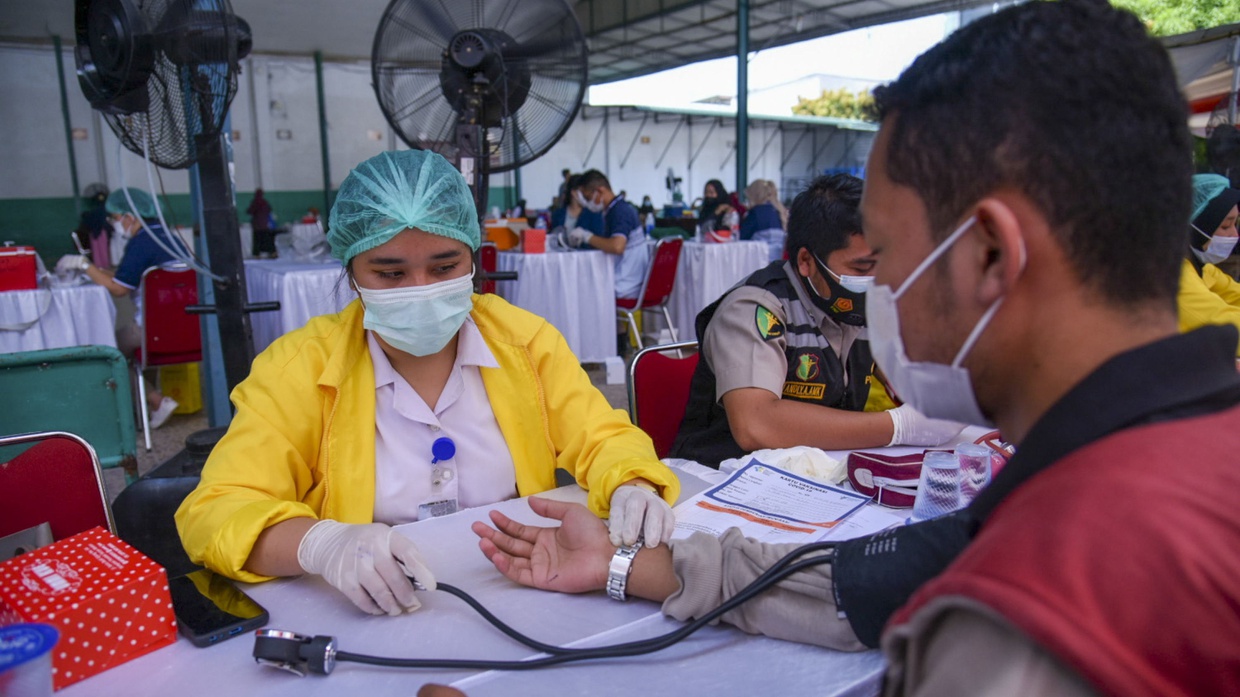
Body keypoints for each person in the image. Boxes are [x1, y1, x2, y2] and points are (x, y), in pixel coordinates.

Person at [470, 1, 1240, 694]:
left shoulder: (1032, 604)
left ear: (993, 256)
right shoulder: (1158, 452)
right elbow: (890, 573)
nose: (884, 290)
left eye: (894, 255)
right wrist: (624, 564)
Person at [175, 149, 679, 618]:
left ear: (474, 259)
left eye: (445, 267)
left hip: (525, 589)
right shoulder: (298, 368)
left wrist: (630, 483)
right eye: (389, 274)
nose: (421, 290)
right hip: (370, 608)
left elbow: (601, 434)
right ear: (350, 271)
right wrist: (319, 544)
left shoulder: (525, 344)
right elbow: (218, 509)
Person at [670, 174, 964, 468]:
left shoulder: (863, 305)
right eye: (862, 268)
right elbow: (754, 424)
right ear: (806, 262)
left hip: (818, 474)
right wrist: (899, 427)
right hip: (725, 478)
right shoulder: (755, 307)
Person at [56, 187, 182, 427]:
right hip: (184, 326)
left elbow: (119, 289)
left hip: (152, 330)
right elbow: (130, 276)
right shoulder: (168, 237)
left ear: (129, 217)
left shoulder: (142, 242)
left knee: (108, 351)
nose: (114, 224)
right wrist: (99, 272)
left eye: (114, 219)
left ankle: (155, 400)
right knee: (131, 353)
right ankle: (149, 401)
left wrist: (85, 266)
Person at [569, 170, 651, 354]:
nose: (588, 202)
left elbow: (617, 246)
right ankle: (618, 348)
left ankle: (592, 351)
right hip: (629, 278)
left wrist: (587, 237)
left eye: (589, 197)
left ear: (600, 190)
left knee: (581, 292)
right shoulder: (615, 209)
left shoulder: (619, 211)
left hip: (628, 284)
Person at [1180, 174, 1240, 354]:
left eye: (1236, 224)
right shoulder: (1174, 279)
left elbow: (1235, 293)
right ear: (1197, 228)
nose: (1235, 235)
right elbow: (1229, 332)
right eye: (1225, 226)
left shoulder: (1202, 269)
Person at [548, 174, 603, 249]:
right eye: (583, 191)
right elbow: (553, 239)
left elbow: (599, 240)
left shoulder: (594, 214)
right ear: (573, 192)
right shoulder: (558, 214)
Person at [738, 179, 788, 261]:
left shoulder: (755, 213)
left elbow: (742, 238)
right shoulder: (780, 211)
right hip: (779, 261)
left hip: (760, 261)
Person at [75, 183, 111, 268]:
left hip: (95, 235)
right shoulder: (106, 210)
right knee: (104, 254)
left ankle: (102, 269)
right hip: (102, 235)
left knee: (100, 255)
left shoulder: (92, 212)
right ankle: (105, 269)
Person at [247, 188, 276, 258]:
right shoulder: (264, 202)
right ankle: (272, 253)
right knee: (267, 239)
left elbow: (249, 211)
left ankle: (257, 254)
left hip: (256, 225)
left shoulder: (254, 202)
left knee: (257, 241)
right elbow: (270, 210)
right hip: (265, 224)